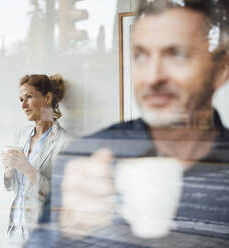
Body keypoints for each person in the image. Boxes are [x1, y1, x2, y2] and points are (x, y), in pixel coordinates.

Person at [24, 0, 229, 247]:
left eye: (177, 54)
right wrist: (65, 230)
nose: (153, 77)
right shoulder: (87, 157)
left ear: (221, 69)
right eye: (141, 56)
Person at [1, 74, 71, 245]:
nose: (23, 105)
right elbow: (13, 188)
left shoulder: (65, 143)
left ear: (47, 98)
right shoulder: (20, 134)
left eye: (29, 97)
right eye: (21, 99)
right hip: (15, 229)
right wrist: (9, 171)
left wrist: (28, 170)